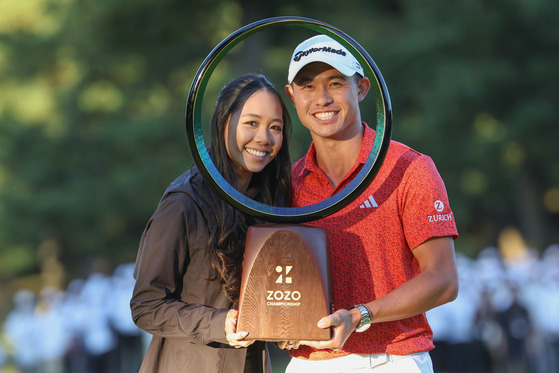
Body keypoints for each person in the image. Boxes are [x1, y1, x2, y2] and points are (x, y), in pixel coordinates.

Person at [279, 34, 460, 372]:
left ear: (361, 88)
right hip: (310, 363)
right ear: (292, 95)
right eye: (307, 86)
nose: (322, 98)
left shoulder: (409, 168)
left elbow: (444, 279)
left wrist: (360, 315)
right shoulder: (286, 184)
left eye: (335, 82)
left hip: (394, 360)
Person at [130, 73, 293, 373]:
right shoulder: (183, 203)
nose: (264, 138)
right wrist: (218, 323)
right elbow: (145, 306)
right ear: (223, 124)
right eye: (251, 123)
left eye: (275, 128)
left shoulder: (272, 203)